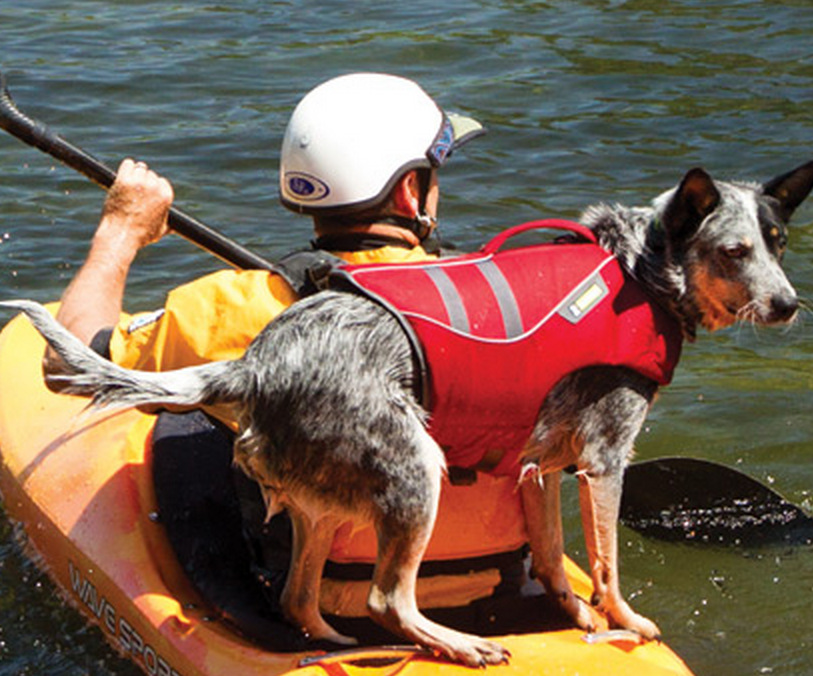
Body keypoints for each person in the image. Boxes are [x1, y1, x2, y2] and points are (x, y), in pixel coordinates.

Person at [45, 73, 543, 640]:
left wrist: (122, 227)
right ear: (410, 193)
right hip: (501, 597)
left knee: (190, 428)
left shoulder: (241, 306)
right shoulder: (506, 299)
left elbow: (69, 365)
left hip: (341, 611)